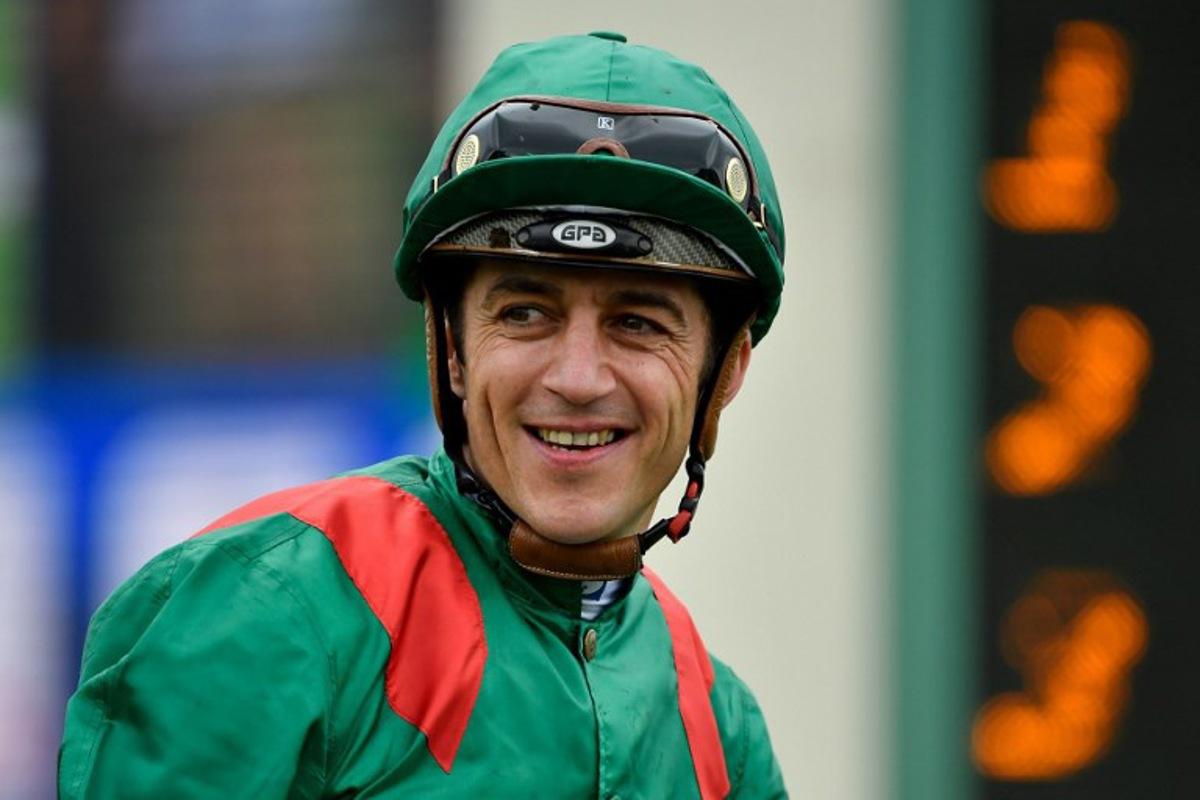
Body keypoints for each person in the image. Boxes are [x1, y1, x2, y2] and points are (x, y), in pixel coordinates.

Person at [59, 32, 788, 798]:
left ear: (726, 368)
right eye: (526, 312)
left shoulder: (720, 730)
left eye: (638, 322)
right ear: (452, 350)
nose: (577, 378)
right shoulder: (263, 614)